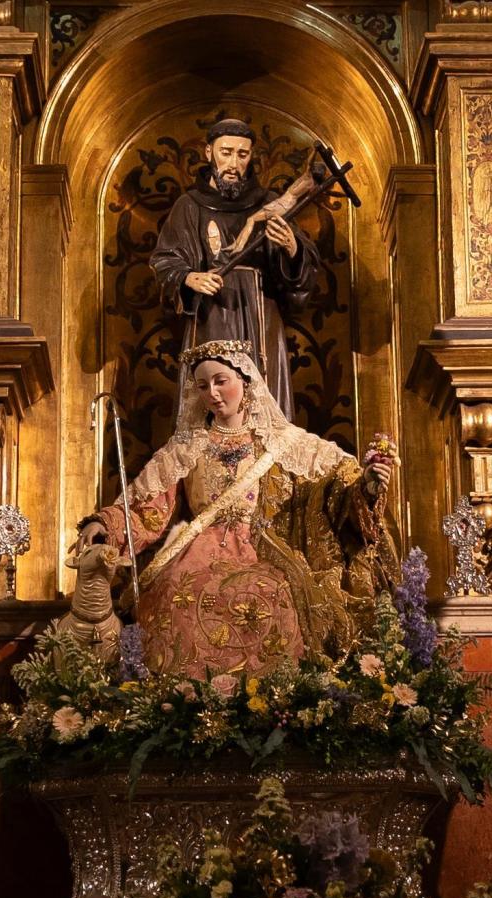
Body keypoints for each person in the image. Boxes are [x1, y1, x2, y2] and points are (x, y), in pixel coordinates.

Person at [77, 340, 396, 679]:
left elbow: (333, 486)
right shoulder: (186, 447)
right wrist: (106, 524)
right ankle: (187, 704)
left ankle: (270, 699)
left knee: (272, 593)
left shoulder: (282, 442)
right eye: (203, 386)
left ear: (245, 381)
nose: (212, 393)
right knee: (175, 592)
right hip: (198, 551)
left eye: (220, 381)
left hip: (261, 550)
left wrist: (366, 487)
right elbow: (147, 508)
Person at [148, 118, 321, 418]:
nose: (233, 163)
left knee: (264, 409)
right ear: (208, 153)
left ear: (251, 157)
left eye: (242, 155)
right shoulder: (189, 206)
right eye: (225, 152)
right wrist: (189, 277)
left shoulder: (268, 203)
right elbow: (164, 261)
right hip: (211, 317)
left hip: (260, 317)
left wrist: (292, 247)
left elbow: (303, 272)